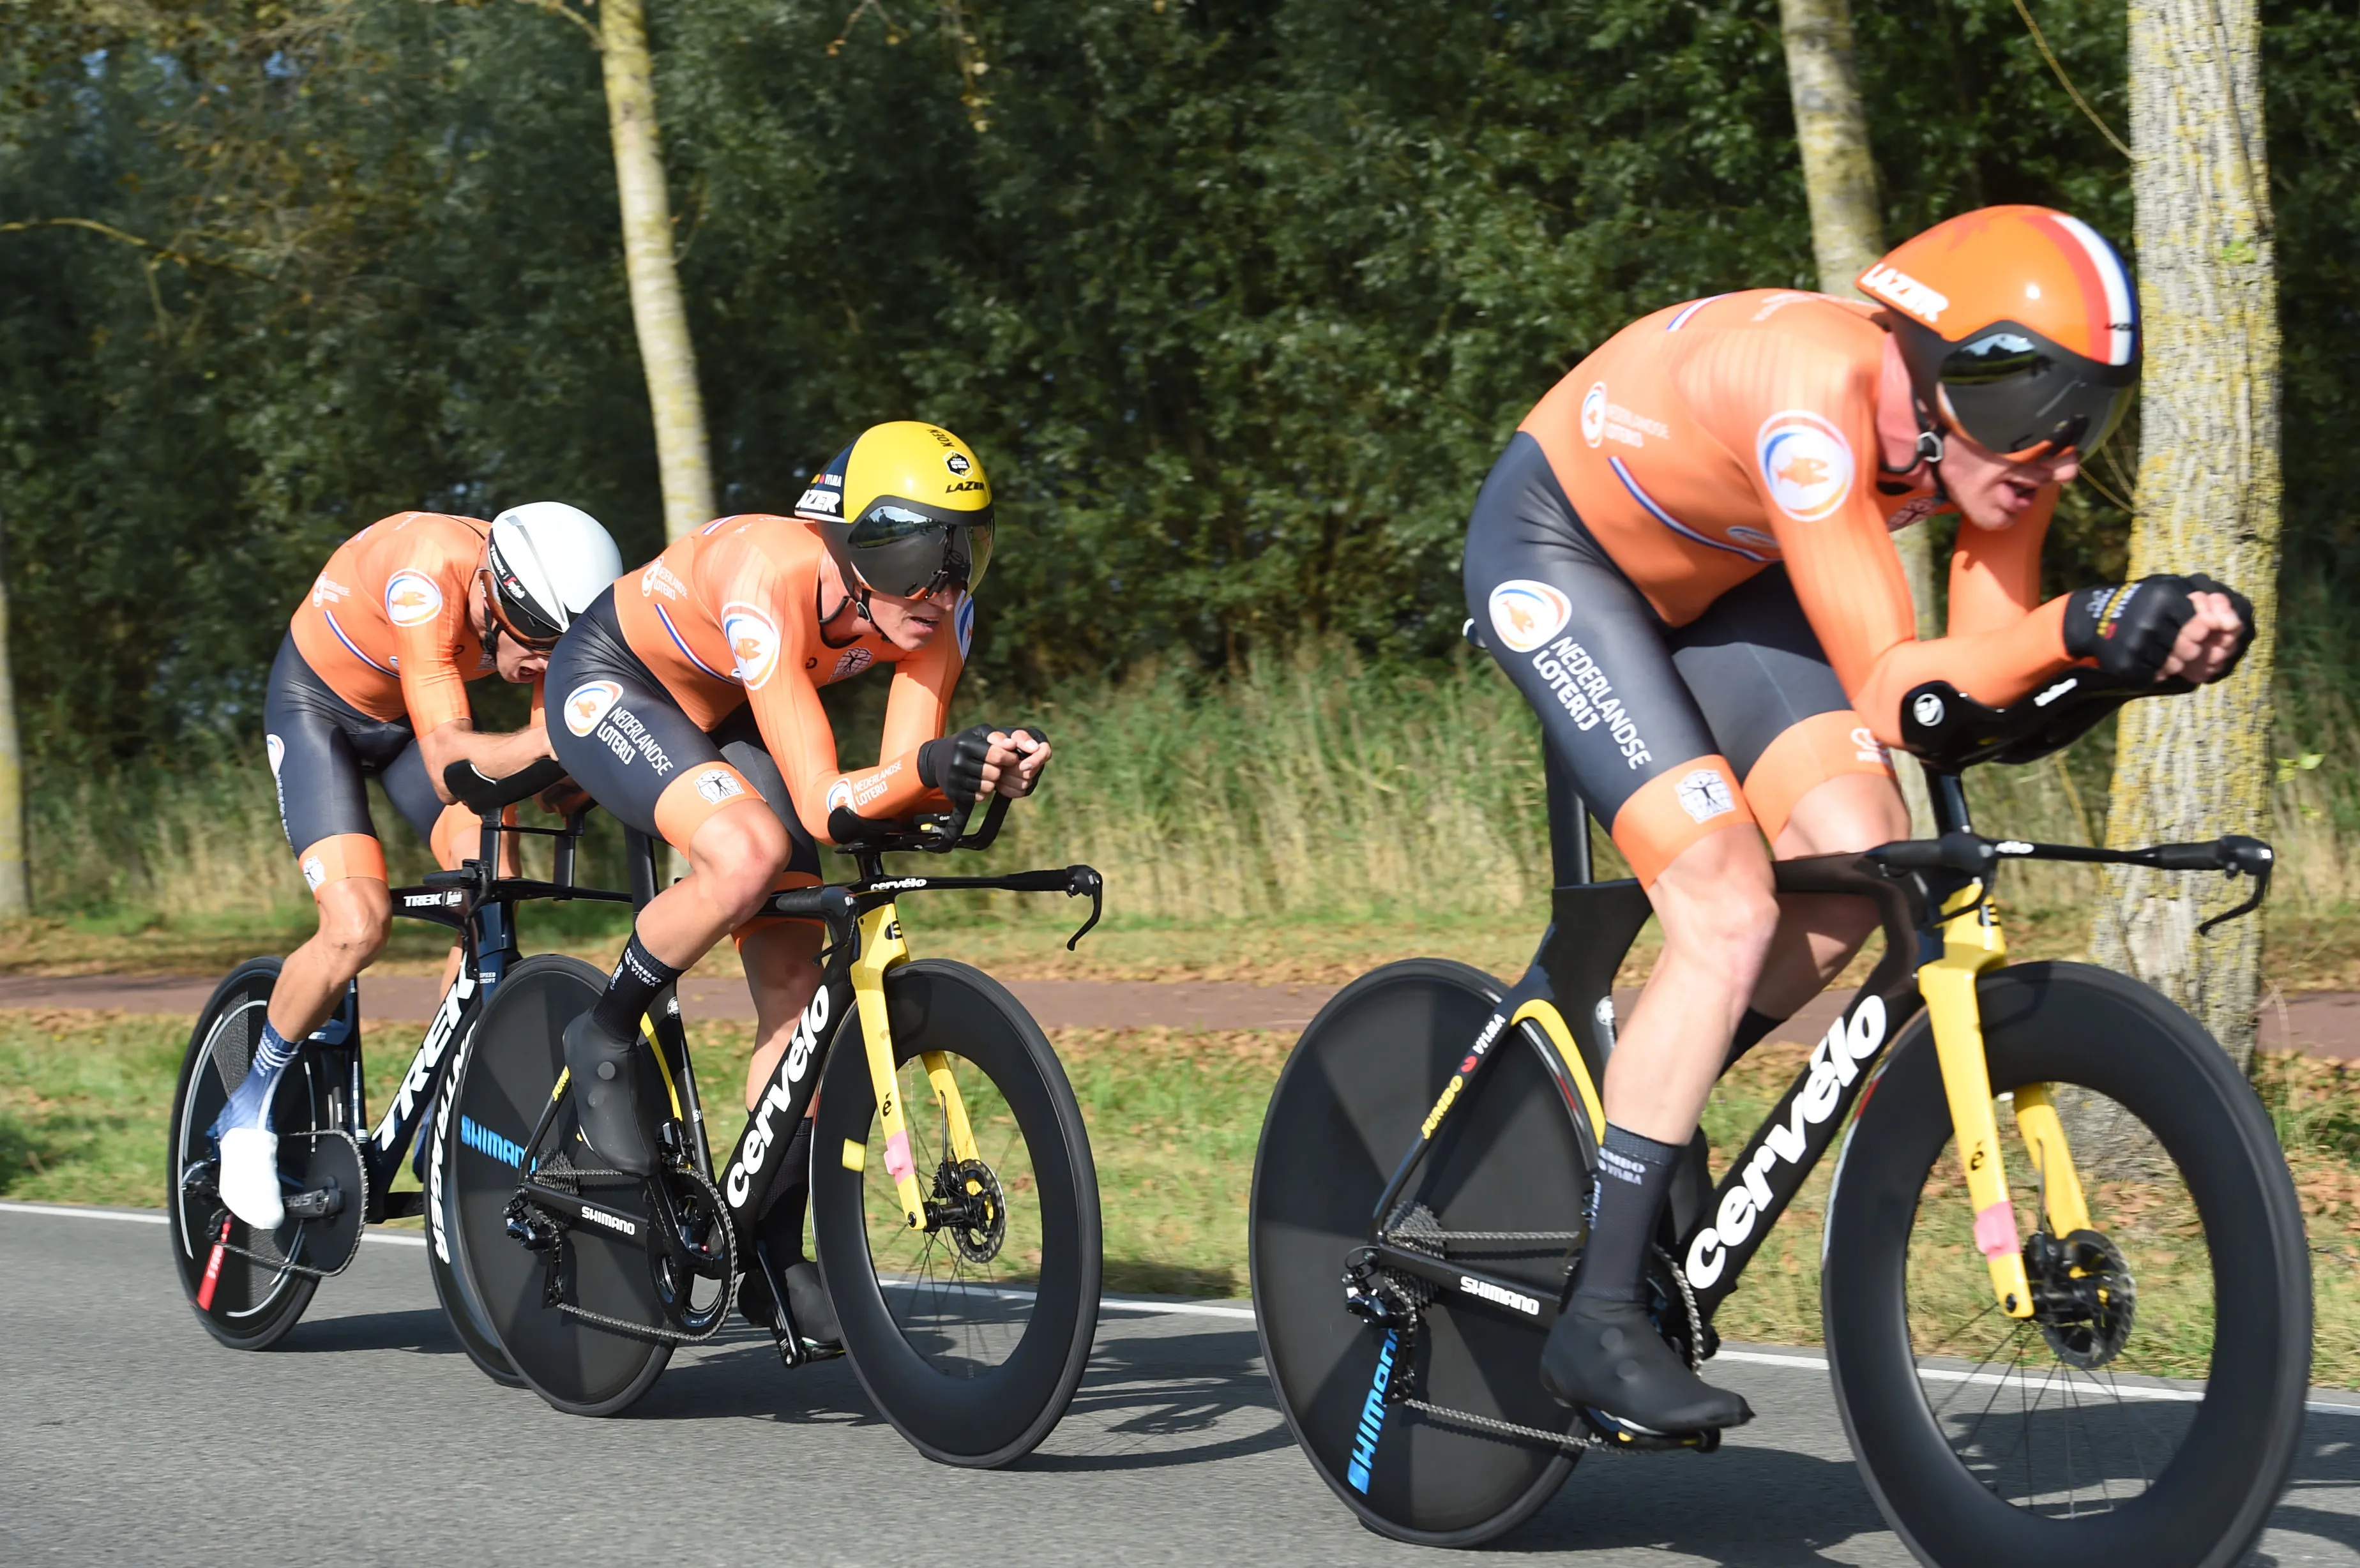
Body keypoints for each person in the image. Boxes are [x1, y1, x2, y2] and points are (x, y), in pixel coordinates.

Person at [1462, 206, 2251, 1433]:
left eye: (2091, 416)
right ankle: (1600, 1314)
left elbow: (1973, 692)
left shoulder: (2000, 459)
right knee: (1724, 902)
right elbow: (1899, 683)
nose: (2053, 452)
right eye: (2027, 402)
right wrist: (2087, 625)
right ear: (1941, 365)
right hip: (1564, 553)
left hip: (1731, 576)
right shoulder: (1813, 400)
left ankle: (1633, 1120)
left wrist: (2123, 659)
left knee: (1846, 878)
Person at [543, 420, 1048, 1350]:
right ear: (858, 544)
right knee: (745, 853)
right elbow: (823, 804)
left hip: (729, 710)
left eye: (965, 555)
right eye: (919, 557)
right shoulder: (769, 573)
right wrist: (934, 765)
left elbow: (891, 787)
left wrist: (969, 771)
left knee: (798, 998)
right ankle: (604, 1029)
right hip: (615, 682)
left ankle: (769, 1244)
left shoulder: (941, 614)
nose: (942, 591)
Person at [212, 503, 625, 1231]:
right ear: (495, 597)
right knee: (357, 923)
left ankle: (447, 1095)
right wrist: (562, 745)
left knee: (491, 876)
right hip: (322, 714)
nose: (541, 664)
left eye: (560, 648)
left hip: (408, 719)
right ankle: (247, 1110)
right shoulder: (427, 576)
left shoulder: (542, 610)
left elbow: (549, 737)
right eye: (534, 644)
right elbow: (450, 764)